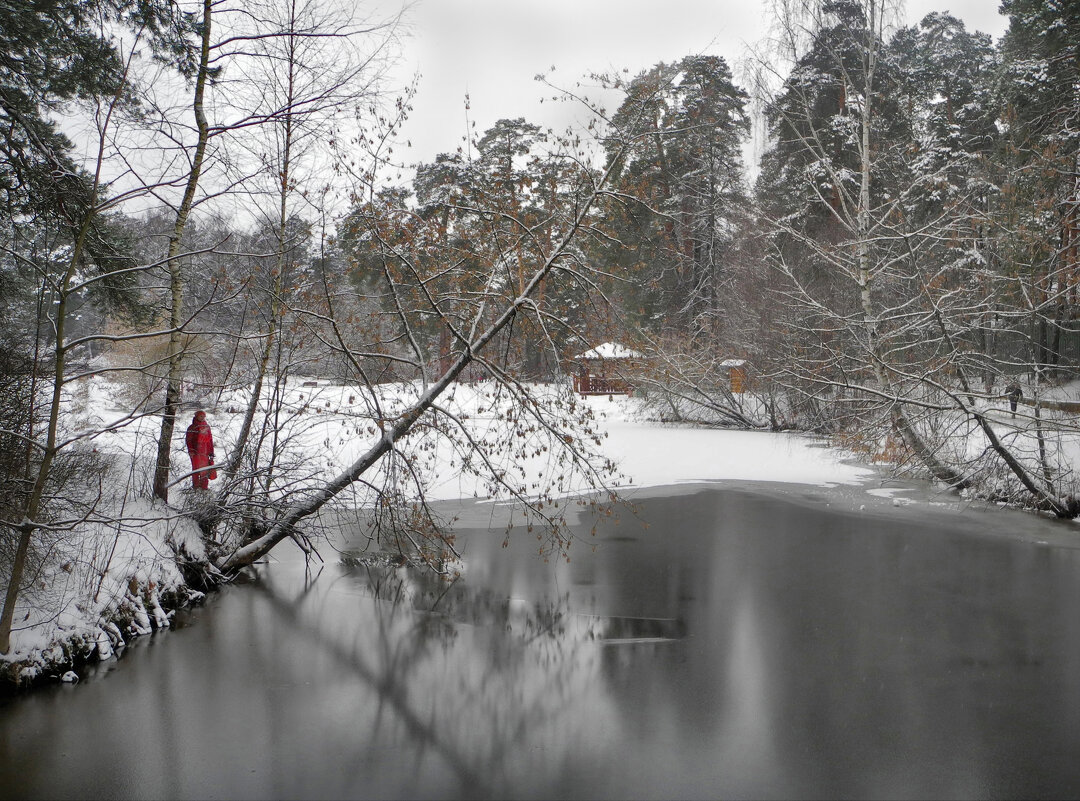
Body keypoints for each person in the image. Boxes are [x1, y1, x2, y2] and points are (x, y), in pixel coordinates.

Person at [185, 410, 216, 489]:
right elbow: (188, 440)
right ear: (196, 416)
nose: (202, 418)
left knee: (204, 470)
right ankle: (195, 487)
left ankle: (204, 488)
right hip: (195, 452)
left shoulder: (207, 427)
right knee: (196, 470)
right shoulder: (192, 427)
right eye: (201, 416)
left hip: (205, 452)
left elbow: (210, 440)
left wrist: (211, 452)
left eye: (204, 416)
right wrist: (191, 450)